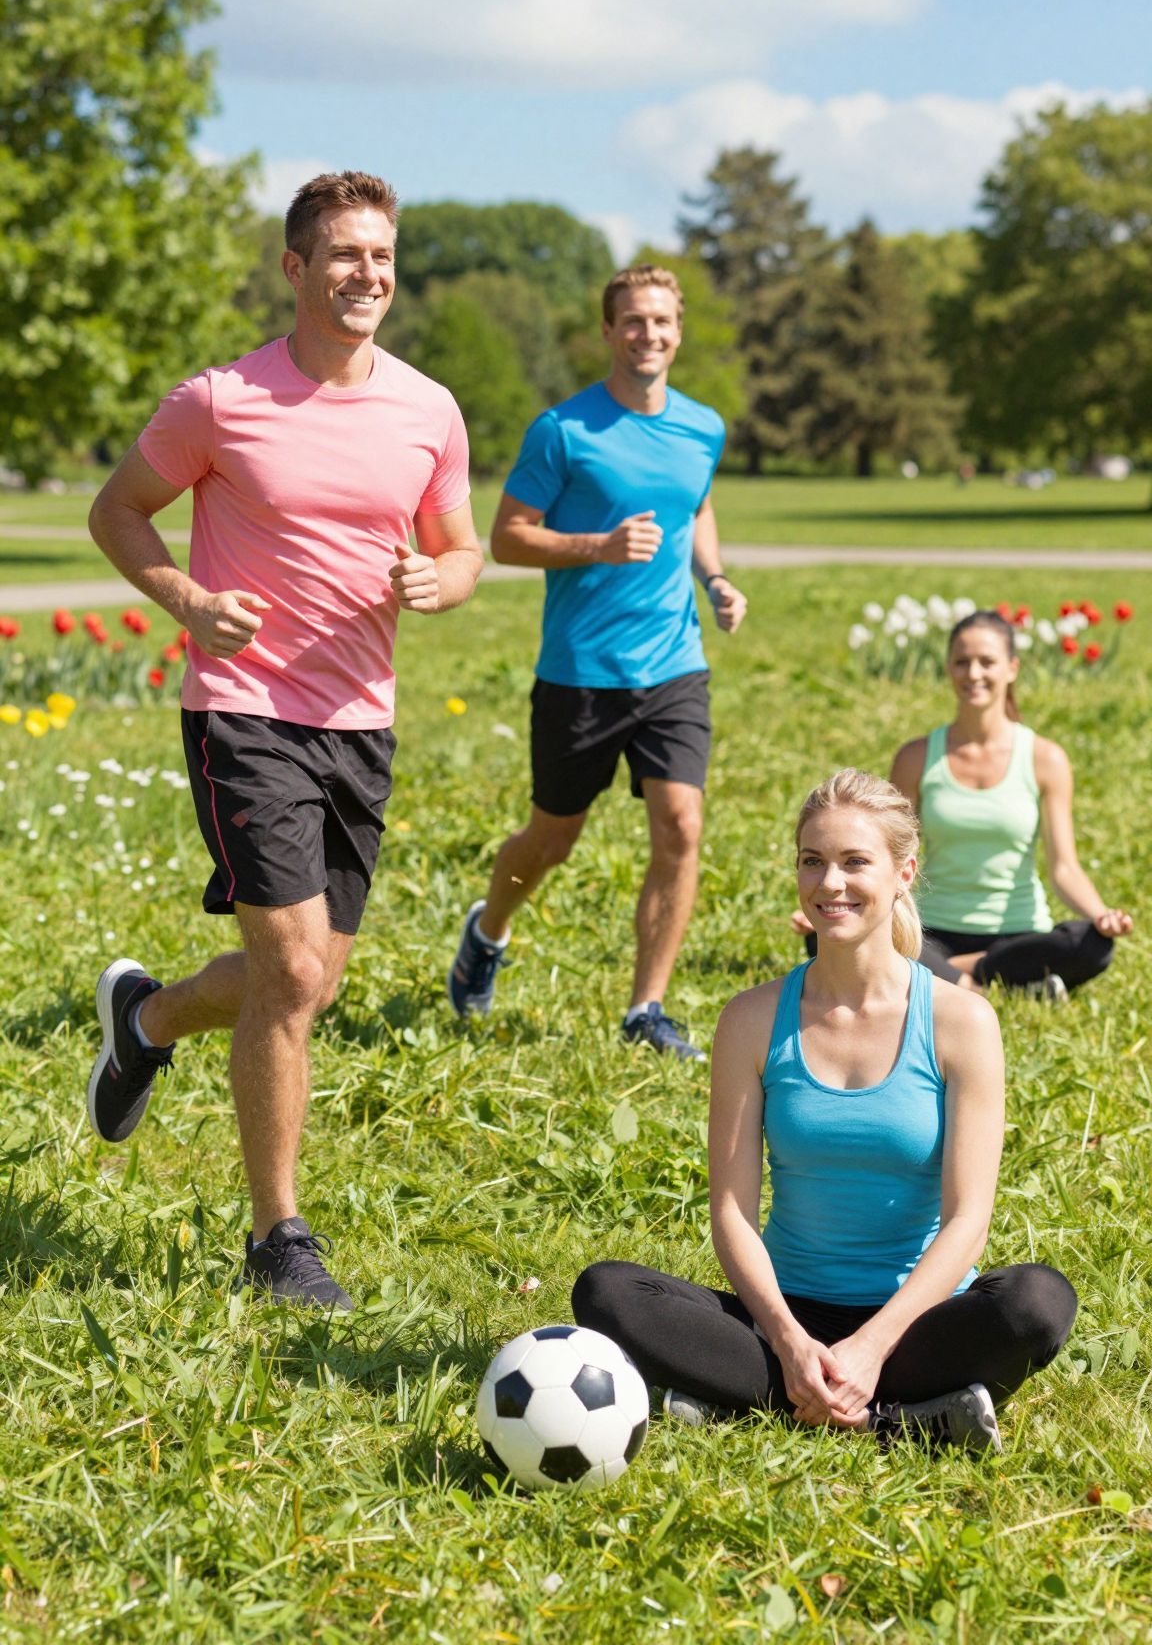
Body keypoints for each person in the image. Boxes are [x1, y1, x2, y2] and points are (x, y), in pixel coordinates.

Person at [86, 170, 483, 1308]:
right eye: (347, 254)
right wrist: (185, 599)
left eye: (384, 255)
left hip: (361, 721)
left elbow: (460, 551)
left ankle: (148, 1016)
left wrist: (439, 580)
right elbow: (118, 510)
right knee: (295, 966)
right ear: (296, 269)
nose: (371, 273)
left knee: (300, 986)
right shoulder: (220, 399)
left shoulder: (429, 409)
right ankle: (279, 1240)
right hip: (243, 704)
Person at [573, 771, 1077, 1451]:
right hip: (787, 1314)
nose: (829, 884)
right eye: (812, 861)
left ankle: (777, 1403)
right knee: (606, 1293)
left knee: (1037, 1303)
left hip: (920, 1320)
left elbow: (967, 1221)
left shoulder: (962, 1022)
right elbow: (731, 1212)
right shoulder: (750, 1020)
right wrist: (786, 1337)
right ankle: (899, 1416)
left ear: (904, 872)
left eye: (854, 862)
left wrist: (872, 1346)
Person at [446, 265, 747, 1061]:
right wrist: (598, 547)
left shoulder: (703, 428)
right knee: (550, 841)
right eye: (634, 322)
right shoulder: (564, 430)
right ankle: (489, 931)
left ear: (679, 330)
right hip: (581, 670)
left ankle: (646, 1009)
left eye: (662, 321)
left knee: (681, 824)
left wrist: (712, 577)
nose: (650, 335)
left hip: (674, 664)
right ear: (610, 332)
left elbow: (698, 505)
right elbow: (507, 537)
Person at [888, 609, 1133, 995]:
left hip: (1018, 938)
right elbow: (891, 854)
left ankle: (949, 976)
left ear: (1012, 668)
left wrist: (1101, 916)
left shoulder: (1044, 758)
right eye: (962, 662)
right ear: (948, 668)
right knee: (833, 936)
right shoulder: (916, 758)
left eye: (987, 662)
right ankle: (999, 986)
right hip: (932, 930)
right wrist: (847, 902)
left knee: (1092, 944)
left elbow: (1064, 868)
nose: (973, 674)